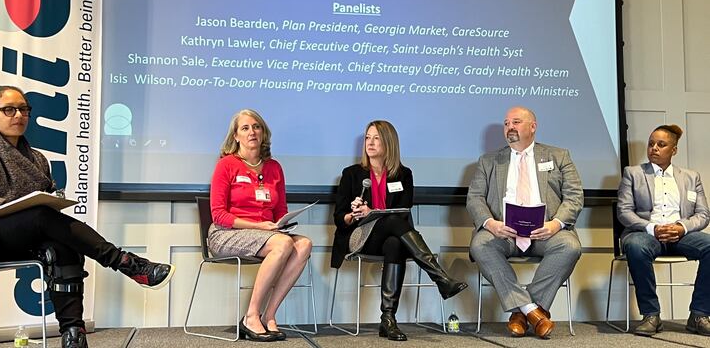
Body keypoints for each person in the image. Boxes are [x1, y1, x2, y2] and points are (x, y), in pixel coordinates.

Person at [0, 86, 175, 348]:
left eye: (24, 109)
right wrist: (11, 205)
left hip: (28, 234)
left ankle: (73, 335)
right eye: (9, 110)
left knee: (62, 245)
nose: (18, 115)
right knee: (41, 215)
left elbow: (45, 194)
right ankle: (126, 262)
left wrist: (51, 197)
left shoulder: (36, 157)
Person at [331, 120, 467, 341]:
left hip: (389, 236)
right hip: (359, 237)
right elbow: (339, 218)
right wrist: (354, 214)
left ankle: (388, 319)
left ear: (389, 143)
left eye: (376, 138)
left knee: (394, 242)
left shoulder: (403, 174)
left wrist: (373, 211)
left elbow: (404, 212)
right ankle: (440, 278)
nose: (370, 143)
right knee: (393, 222)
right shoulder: (351, 174)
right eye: (367, 138)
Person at [467, 106, 583, 339]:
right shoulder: (489, 161)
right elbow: (475, 197)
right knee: (480, 244)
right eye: (507, 123)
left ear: (533, 126)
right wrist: (491, 224)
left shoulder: (558, 156)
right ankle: (533, 311)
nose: (510, 127)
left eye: (516, 122)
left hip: (545, 230)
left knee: (570, 246)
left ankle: (522, 313)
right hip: (504, 231)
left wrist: (556, 224)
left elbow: (574, 196)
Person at [208, 109, 312, 342]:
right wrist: (260, 227)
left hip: (267, 234)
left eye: (256, 127)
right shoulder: (226, 165)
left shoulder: (274, 167)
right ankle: (250, 316)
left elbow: (280, 209)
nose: (252, 132)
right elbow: (218, 215)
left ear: (263, 133)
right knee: (283, 244)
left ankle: (269, 315)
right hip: (227, 234)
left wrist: (281, 224)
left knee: (304, 244)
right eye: (245, 128)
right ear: (235, 136)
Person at [617, 124, 709, 337]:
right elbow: (624, 211)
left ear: (674, 150)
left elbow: (703, 215)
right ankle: (651, 314)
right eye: (651, 144)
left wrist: (681, 227)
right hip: (646, 234)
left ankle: (699, 314)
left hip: (681, 235)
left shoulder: (690, 177)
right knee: (634, 246)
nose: (654, 148)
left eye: (661, 144)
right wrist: (653, 228)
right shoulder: (633, 173)